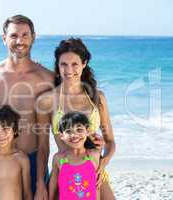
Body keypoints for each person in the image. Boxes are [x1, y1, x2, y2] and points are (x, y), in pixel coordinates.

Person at [0, 14, 54, 197]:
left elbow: (62, 125)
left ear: (33, 37)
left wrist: (40, 182)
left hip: (33, 162)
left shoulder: (47, 78)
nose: (19, 40)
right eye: (14, 35)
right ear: (4, 39)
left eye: (25, 35)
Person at [36, 38, 115, 199]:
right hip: (65, 173)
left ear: (84, 64)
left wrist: (104, 162)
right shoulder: (47, 100)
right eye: (63, 64)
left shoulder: (97, 98)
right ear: (57, 66)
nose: (68, 70)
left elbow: (110, 141)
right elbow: (43, 148)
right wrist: (40, 183)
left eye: (74, 64)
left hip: (95, 172)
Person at [49, 111, 101, 200]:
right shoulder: (59, 158)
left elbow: (96, 187)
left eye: (79, 130)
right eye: (68, 131)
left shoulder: (94, 155)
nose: (74, 135)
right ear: (61, 135)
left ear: (87, 131)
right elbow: (52, 187)